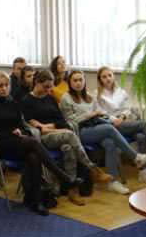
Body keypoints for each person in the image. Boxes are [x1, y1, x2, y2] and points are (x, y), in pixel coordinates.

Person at [0, 71, 78, 216]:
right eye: (0, 86)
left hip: (19, 142)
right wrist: (10, 133)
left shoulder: (13, 103)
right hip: (1, 144)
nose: (3, 88)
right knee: (33, 144)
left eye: (6, 85)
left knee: (34, 157)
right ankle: (64, 177)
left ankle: (36, 201)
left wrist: (19, 131)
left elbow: (21, 125)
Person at [20, 70, 112, 205]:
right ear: (37, 83)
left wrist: (50, 126)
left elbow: (61, 120)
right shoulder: (27, 100)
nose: (49, 90)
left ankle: (72, 189)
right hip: (42, 139)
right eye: (46, 86)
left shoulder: (50, 98)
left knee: (68, 148)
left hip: (58, 133)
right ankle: (92, 169)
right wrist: (45, 127)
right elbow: (30, 123)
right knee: (70, 135)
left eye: (50, 86)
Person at [60, 70, 146, 193]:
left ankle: (113, 182)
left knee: (110, 143)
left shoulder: (89, 96)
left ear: (84, 81)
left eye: (80, 80)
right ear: (69, 82)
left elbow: (101, 112)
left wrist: (105, 116)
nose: (78, 83)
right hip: (80, 132)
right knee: (109, 128)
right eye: (75, 80)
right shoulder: (66, 98)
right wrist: (90, 115)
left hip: (96, 127)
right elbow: (69, 121)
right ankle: (136, 157)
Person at [95, 66, 146, 168]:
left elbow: (128, 108)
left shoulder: (121, 92)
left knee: (142, 137)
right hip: (111, 125)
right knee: (143, 124)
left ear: (113, 76)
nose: (108, 78)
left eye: (110, 75)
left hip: (124, 122)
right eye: (104, 77)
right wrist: (114, 119)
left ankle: (145, 172)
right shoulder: (97, 94)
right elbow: (101, 112)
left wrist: (122, 117)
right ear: (100, 80)